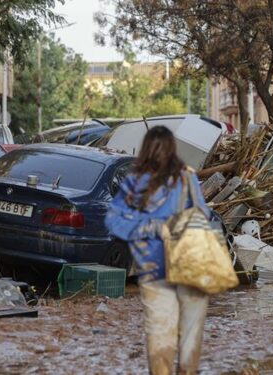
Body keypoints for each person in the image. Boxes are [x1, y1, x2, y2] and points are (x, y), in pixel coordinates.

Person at [106, 126, 220, 375]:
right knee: (190, 332)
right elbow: (205, 212)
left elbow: (114, 222)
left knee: (160, 333)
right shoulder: (187, 177)